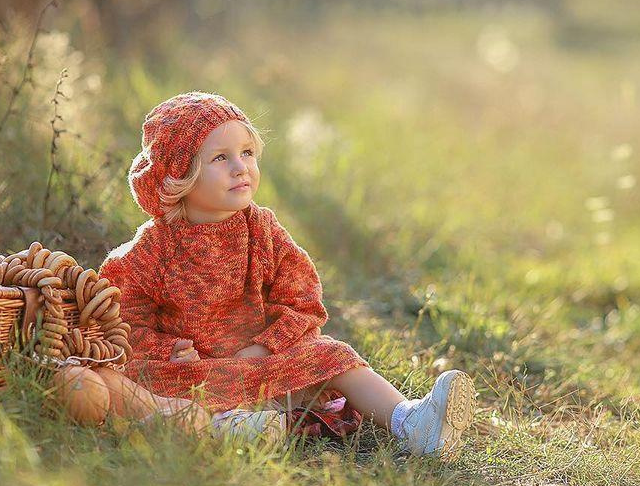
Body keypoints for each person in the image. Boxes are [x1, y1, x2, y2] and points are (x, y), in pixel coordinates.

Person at [98, 91, 476, 457]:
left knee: (332, 353)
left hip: (266, 361)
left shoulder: (262, 230)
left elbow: (302, 299)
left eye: (247, 153)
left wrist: (266, 344)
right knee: (144, 378)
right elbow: (123, 320)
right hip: (199, 372)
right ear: (180, 175)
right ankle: (232, 427)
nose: (240, 167)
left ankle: (410, 421)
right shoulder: (152, 249)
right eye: (220, 158)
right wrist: (169, 350)